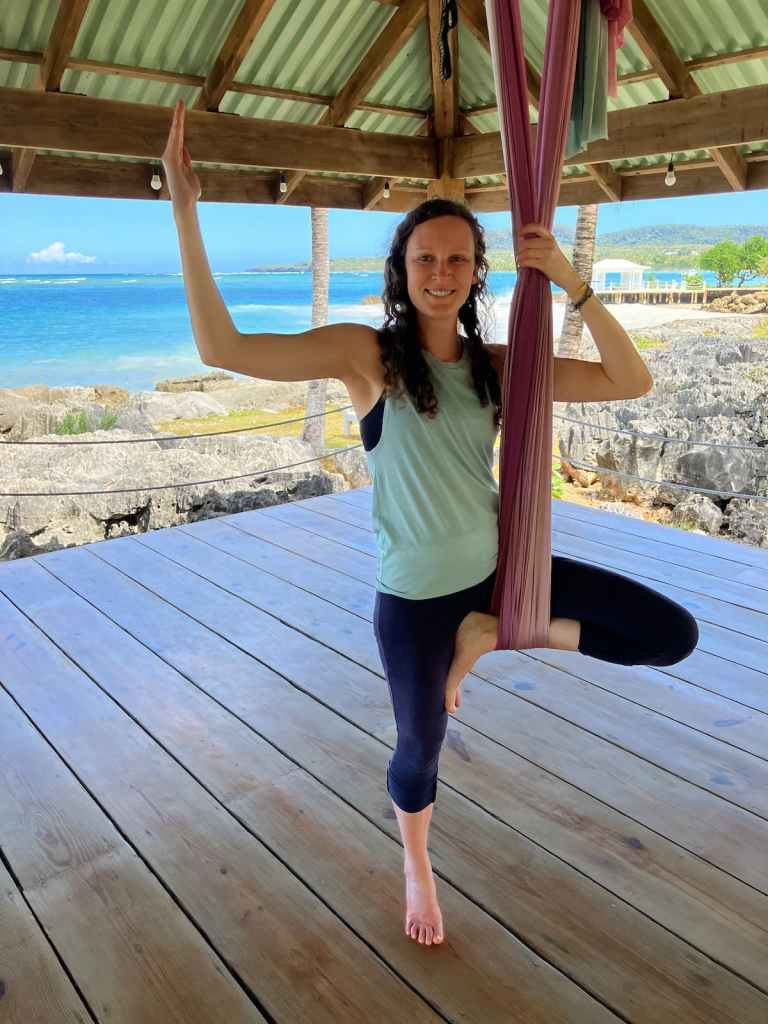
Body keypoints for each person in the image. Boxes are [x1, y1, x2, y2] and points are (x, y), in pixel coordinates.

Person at [162, 99, 699, 950]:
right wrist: (186, 214)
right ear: (401, 269)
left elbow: (628, 381)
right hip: (414, 601)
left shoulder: (495, 365)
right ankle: (417, 863)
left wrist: (568, 276)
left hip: (499, 574)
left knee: (670, 635)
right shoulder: (363, 356)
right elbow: (221, 350)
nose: (441, 271)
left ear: (476, 271)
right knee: (420, 751)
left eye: (457, 258)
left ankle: (493, 635)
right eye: (425, 258)